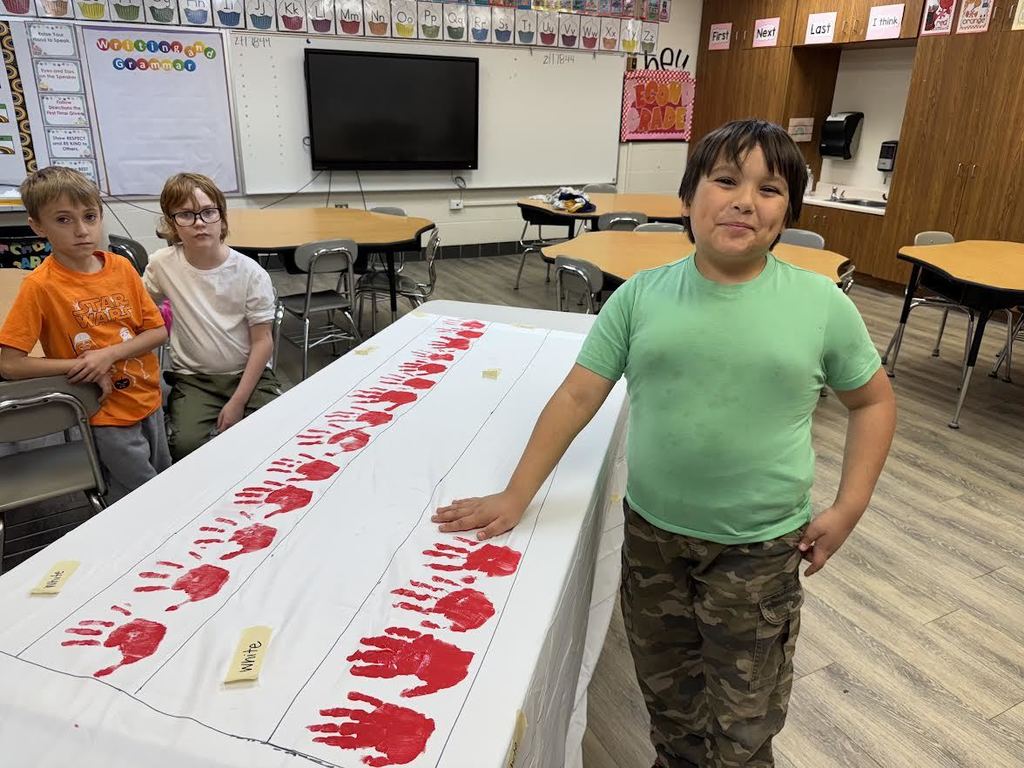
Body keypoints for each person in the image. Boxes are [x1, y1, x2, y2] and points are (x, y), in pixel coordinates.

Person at [431, 120, 897, 767]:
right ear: (688, 197)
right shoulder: (641, 298)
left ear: (789, 210)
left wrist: (850, 507)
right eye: (726, 180)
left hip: (758, 552)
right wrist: (516, 494)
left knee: (742, 722)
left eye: (769, 189)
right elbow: (575, 397)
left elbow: (873, 400)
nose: (744, 200)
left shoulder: (820, 305)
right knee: (669, 699)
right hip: (653, 539)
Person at [0, 166, 170, 503]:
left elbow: (157, 331)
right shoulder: (40, 286)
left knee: (162, 476)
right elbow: (10, 365)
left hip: (150, 399)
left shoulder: (121, 268)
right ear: (37, 226)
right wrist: (77, 366)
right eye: (63, 220)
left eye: (90, 217)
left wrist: (108, 355)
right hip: (103, 410)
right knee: (140, 495)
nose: (81, 230)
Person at [143, 172, 280, 462]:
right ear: (171, 223)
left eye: (208, 212)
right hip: (195, 379)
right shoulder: (161, 265)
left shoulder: (250, 272)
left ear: (222, 218)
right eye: (186, 215)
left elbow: (263, 341)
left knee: (278, 437)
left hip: (248, 375)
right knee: (185, 448)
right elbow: (141, 310)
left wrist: (238, 402)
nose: (199, 223)